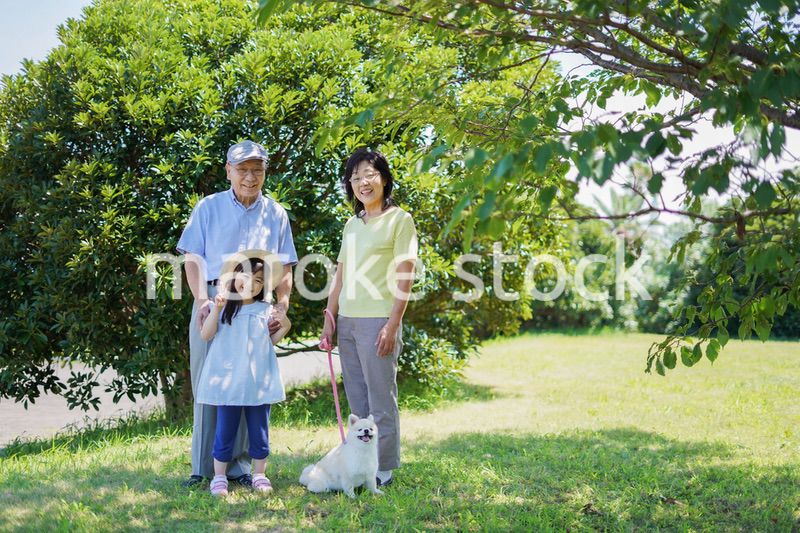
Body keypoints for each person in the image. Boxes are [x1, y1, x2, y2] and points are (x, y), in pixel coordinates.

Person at [177, 140, 297, 488]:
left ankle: (243, 469)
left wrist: (282, 306)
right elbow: (193, 259)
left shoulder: (276, 212)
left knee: (251, 384)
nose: (250, 176)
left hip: (258, 305)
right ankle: (203, 469)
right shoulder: (208, 207)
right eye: (242, 169)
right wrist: (202, 299)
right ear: (228, 170)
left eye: (257, 169)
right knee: (208, 384)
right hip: (215, 300)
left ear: (264, 173)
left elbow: (286, 266)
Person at [319, 147, 418, 488]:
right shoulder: (351, 224)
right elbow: (341, 274)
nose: (362, 182)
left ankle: (384, 467)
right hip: (347, 322)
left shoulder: (400, 220)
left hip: (379, 321)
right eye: (356, 177)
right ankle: (359, 465)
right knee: (358, 402)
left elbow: (406, 276)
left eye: (369, 175)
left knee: (380, 399)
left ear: (384, 179)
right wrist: (330, 316)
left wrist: (393, 323)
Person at [197, 253, 290, 496]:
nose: (250, 283)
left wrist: (286, 326)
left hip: (257, 381)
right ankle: (219, 477)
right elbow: (206, 335)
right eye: (245, 276)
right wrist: (216, 309)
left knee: (259, 429)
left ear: (263, 287)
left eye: (259, 280)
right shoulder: (224, 306)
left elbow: (269, 343)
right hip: (229, 381)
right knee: (225, 430)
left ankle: (259, 473)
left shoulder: (264, 310)